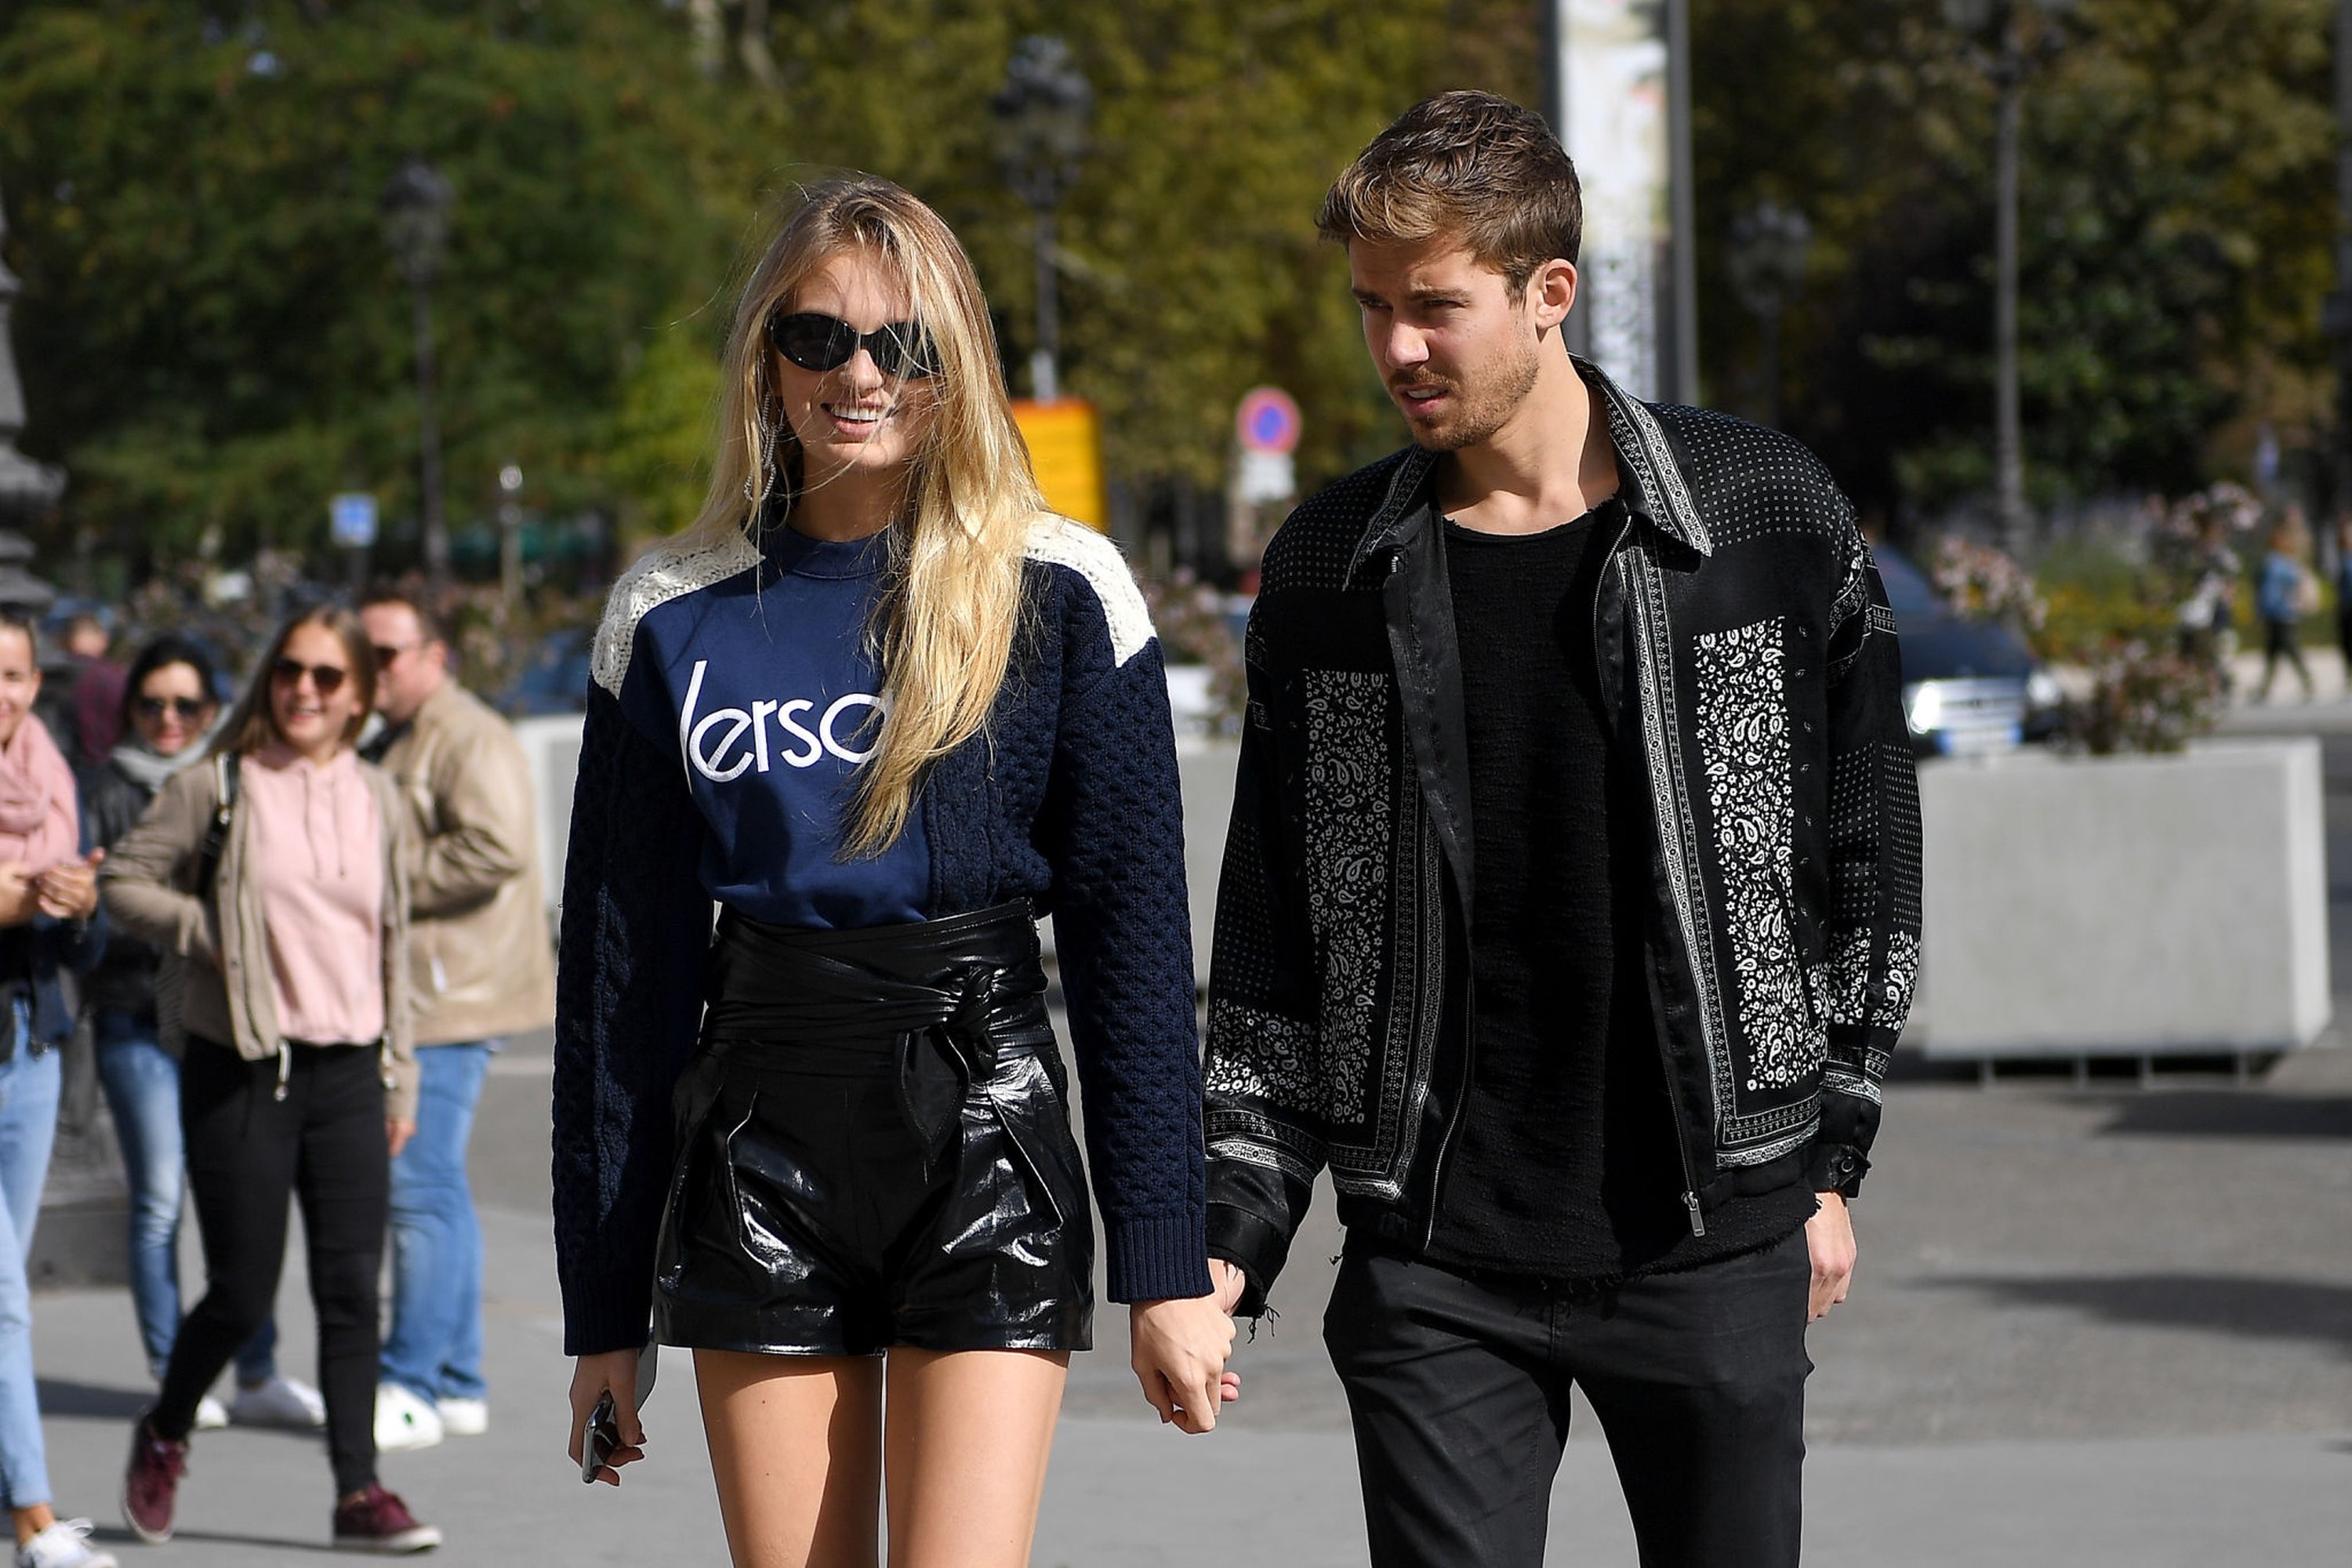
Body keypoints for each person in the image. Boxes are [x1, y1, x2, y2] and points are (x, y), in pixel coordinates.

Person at [1199, 92, 1921, 1568]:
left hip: (1709, 1235)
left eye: (1435, 308)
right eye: (1373, 309)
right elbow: (1277, 923)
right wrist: (1231, 1232)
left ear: (1549, 296)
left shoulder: (1760, 517)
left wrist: (1829, 1153)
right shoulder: (1332, 569)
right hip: (1434, 1257)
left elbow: (1867, 845)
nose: (1398, 347)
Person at [554, 176, 1231, 1568]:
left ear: (956, 362)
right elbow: (620, 993)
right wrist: (604, 1310)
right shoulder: (670, 612)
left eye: (902, 345)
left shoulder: (1061, 589)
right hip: (756, 1145)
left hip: (983, 1117)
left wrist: (1168, 1268)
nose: (858, 376)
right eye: (819, 338)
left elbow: (1135, 951)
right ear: (766, 355)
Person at [103, 606, 439, 1553]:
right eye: (290, 670)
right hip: (244, 1068)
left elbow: (393, 944)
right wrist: (202, 932)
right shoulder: (217, 783)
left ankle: (358, 1491)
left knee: (347, 1292)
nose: (304, 689)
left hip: (349, 1075)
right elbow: (124, 880)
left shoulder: (378, 795)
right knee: (243, 1292)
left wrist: (400, 1077)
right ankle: (166, 1427)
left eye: (328, 678)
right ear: (268, 677)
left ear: (357, 698)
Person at [77, 636, 325, 1436]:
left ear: (213, 710)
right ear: (131, 710)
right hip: (139, 1020)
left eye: (187, 704)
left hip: (229, 1025)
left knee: (244, 1206)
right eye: (153, 704)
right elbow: (103, 906)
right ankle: (171, 1365)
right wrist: (197, 928)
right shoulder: (103, 790)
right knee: (158, 1199)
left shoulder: (237, 784)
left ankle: (255, 1368)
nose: (170, 718)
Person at [358, 590, 554, 1452]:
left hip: (450, 994)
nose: (371, 671)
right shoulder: (405, 733)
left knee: (418, 1189)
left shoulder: (464, 732)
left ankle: (409, 1381)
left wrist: (376, 876)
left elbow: (496, 847)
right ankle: (457, 1379)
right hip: (444, 988)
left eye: (387, 654)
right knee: (438, 1190)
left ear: (435, 656)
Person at [0, 611, 116, 1568]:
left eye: (14, 675)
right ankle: (35, 1521)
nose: (3, 693)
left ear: (38, 683)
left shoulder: (51, 774)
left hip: (30, 1054)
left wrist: (77, 907)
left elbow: (85, 940)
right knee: (4, 1297)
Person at [2255, 511, 2314, 702]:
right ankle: (2266, 687)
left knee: (2287, 649)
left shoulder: (2274, 564)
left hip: (2280, 612)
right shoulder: (2285, 564)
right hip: (2283, 612)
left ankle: (2305, 681)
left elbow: (2268, 592)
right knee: (2276, 651)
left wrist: (2262, 609)